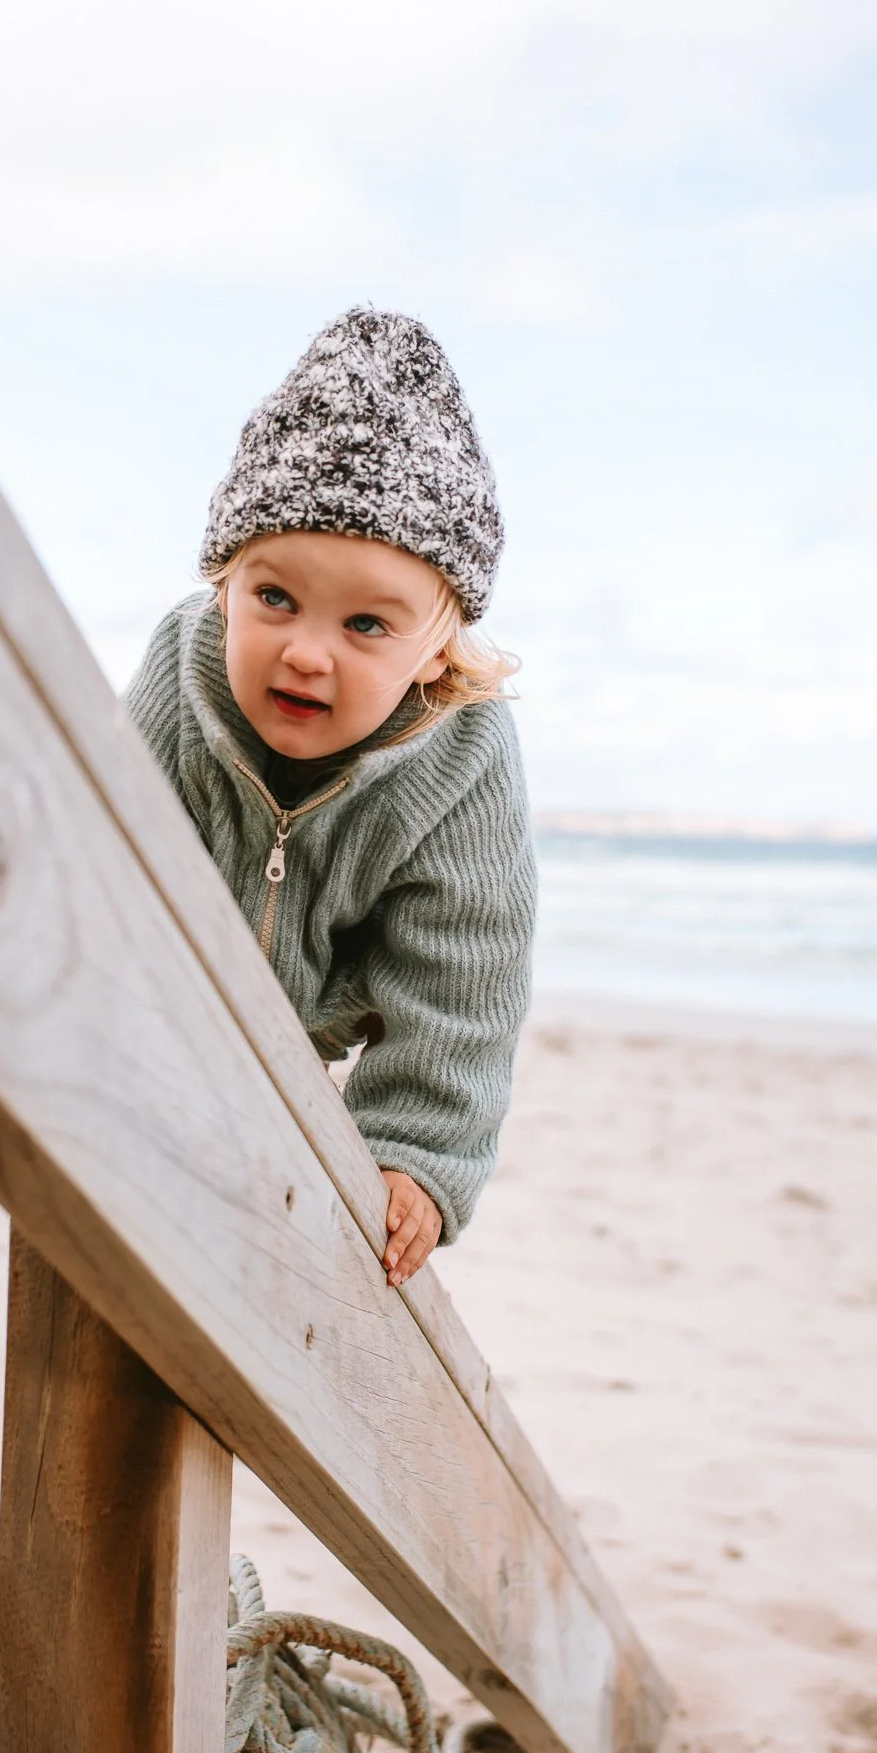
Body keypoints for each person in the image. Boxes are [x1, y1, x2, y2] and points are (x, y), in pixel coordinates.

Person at [126, 305, 537, 1286]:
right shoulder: (182, 678)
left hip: (324, 996)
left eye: (364, 623)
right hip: (172, 991)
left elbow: (462, 973)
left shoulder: (464, 748)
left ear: (434, 645)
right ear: (225, 579)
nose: (305, 650)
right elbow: (113, 855)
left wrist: (414, 1156)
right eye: (272, 598)